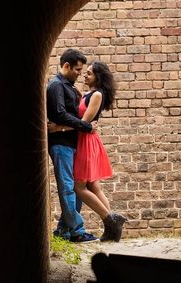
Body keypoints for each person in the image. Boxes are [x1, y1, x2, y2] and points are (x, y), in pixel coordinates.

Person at [49, 61, 127, 242]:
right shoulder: (88, 94)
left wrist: (58, 128)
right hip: (83, 140)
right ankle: (113, 225)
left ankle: (111, 220)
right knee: (93, 186)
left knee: (78, 187)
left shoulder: (97, 95)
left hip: (86, 141)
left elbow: (83, 123)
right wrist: (78, 94)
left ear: (98, 77)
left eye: (90, 73)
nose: (85, 75)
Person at [46, 49, 100, 242]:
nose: (80, 73)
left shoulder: (68, 86)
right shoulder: (55, 86)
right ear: (66, 66)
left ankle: (63, 230)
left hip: (72, 143)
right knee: (68, 187)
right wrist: (85, 126)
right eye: (77, 69)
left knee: (76, 187)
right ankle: (77, 231)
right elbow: (60, 114)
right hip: (61, 144)